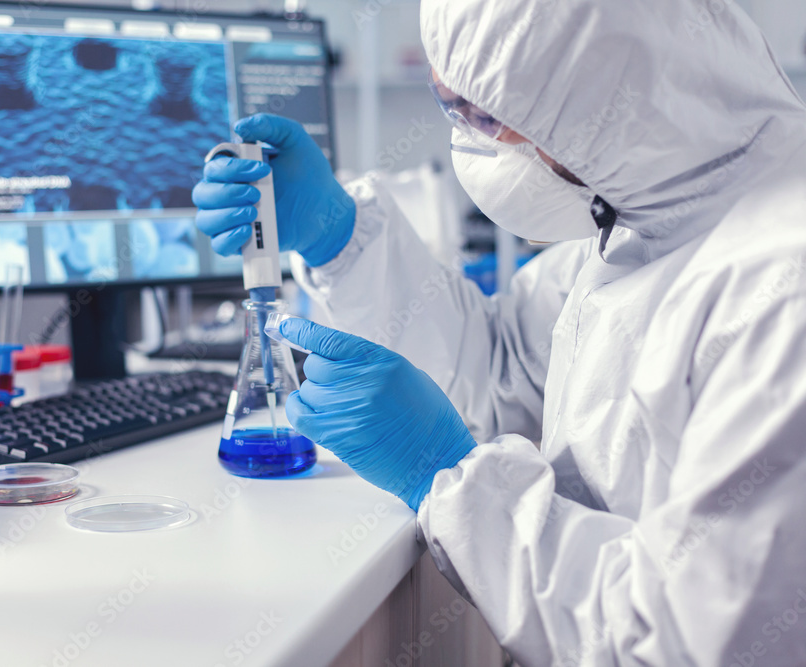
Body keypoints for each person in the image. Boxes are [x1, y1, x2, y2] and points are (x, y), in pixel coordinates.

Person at [193, 0, 806, 663]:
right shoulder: (647, 215)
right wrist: (340, 237)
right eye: (448, 106)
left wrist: (448, 474)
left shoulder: (780, 294)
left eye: (485, 117)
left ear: (608, 92)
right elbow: (505, 370)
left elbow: (690, 642)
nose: (469, 142)